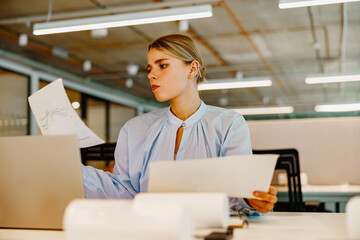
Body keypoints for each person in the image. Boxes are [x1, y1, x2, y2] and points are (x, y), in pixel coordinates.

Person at [82, 34, 277, 214]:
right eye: (150, 68)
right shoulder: (134, 129)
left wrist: (252, 200)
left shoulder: (229, 124)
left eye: (162, 66)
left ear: (192, 69)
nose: (151, 75)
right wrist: (73, 170)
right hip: (151, 230)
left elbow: (238, 193)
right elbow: (124, 192)